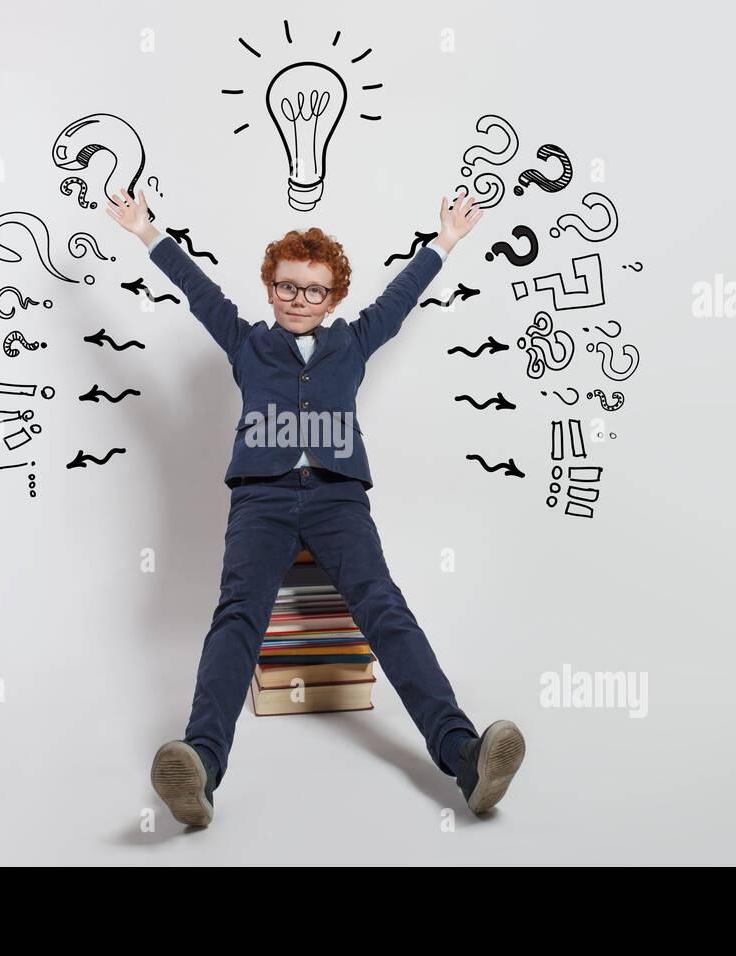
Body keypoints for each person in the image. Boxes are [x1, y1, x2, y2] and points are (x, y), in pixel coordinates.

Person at [108, 188, 525, 827]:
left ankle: (464, 755)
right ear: (270, 288)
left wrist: (443, 241)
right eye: (287, 286)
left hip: (337, 499)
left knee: (383, 607)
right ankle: (200, 764)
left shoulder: (352, 343)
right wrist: (145, 231)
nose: (299, 299)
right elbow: (198, 290)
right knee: (238, 613)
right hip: (261, 499)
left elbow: (400, 298)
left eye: (314, 290)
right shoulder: (246, 342)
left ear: (333, 298)